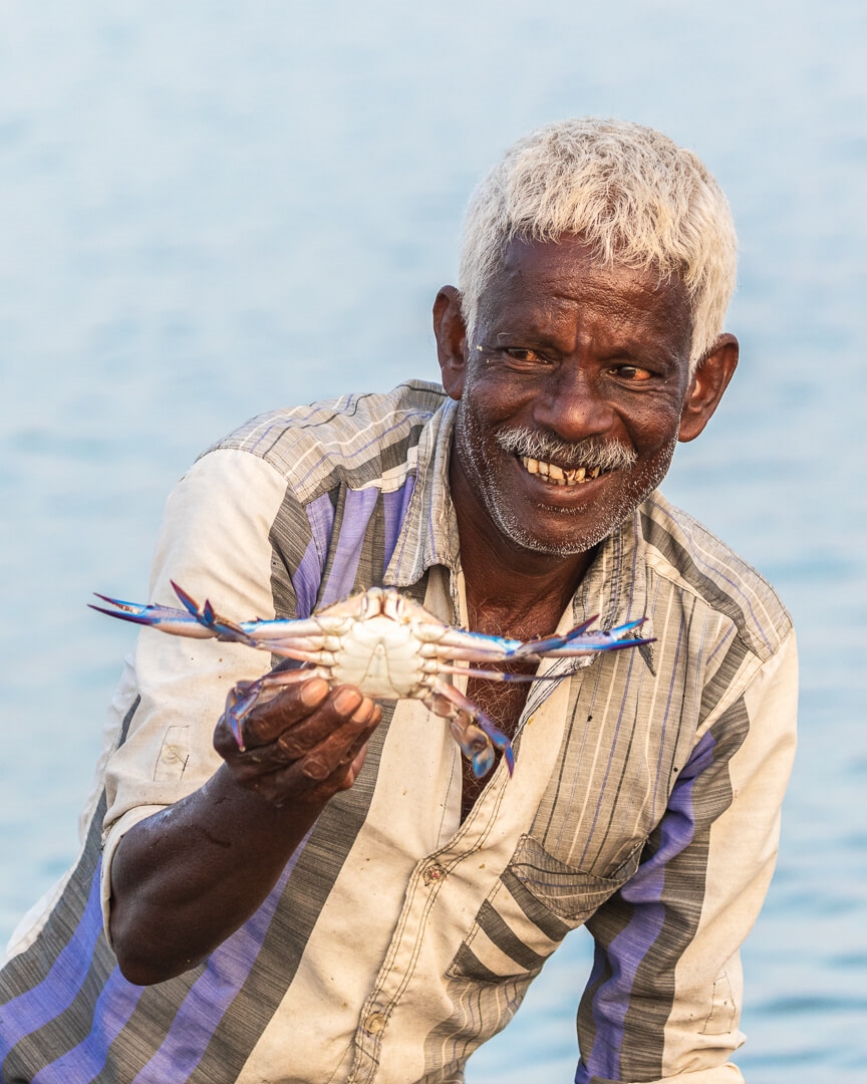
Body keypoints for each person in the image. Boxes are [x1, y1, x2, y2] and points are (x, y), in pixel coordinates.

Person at [0, 119, 797, 1084]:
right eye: (529, 355)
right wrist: (266, 788)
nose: (572, 416)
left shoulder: (723, 656)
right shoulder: (278, 501)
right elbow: (144, 930)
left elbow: (667, 1049)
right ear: (456, 344)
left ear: (702, 388)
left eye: (629, 371)